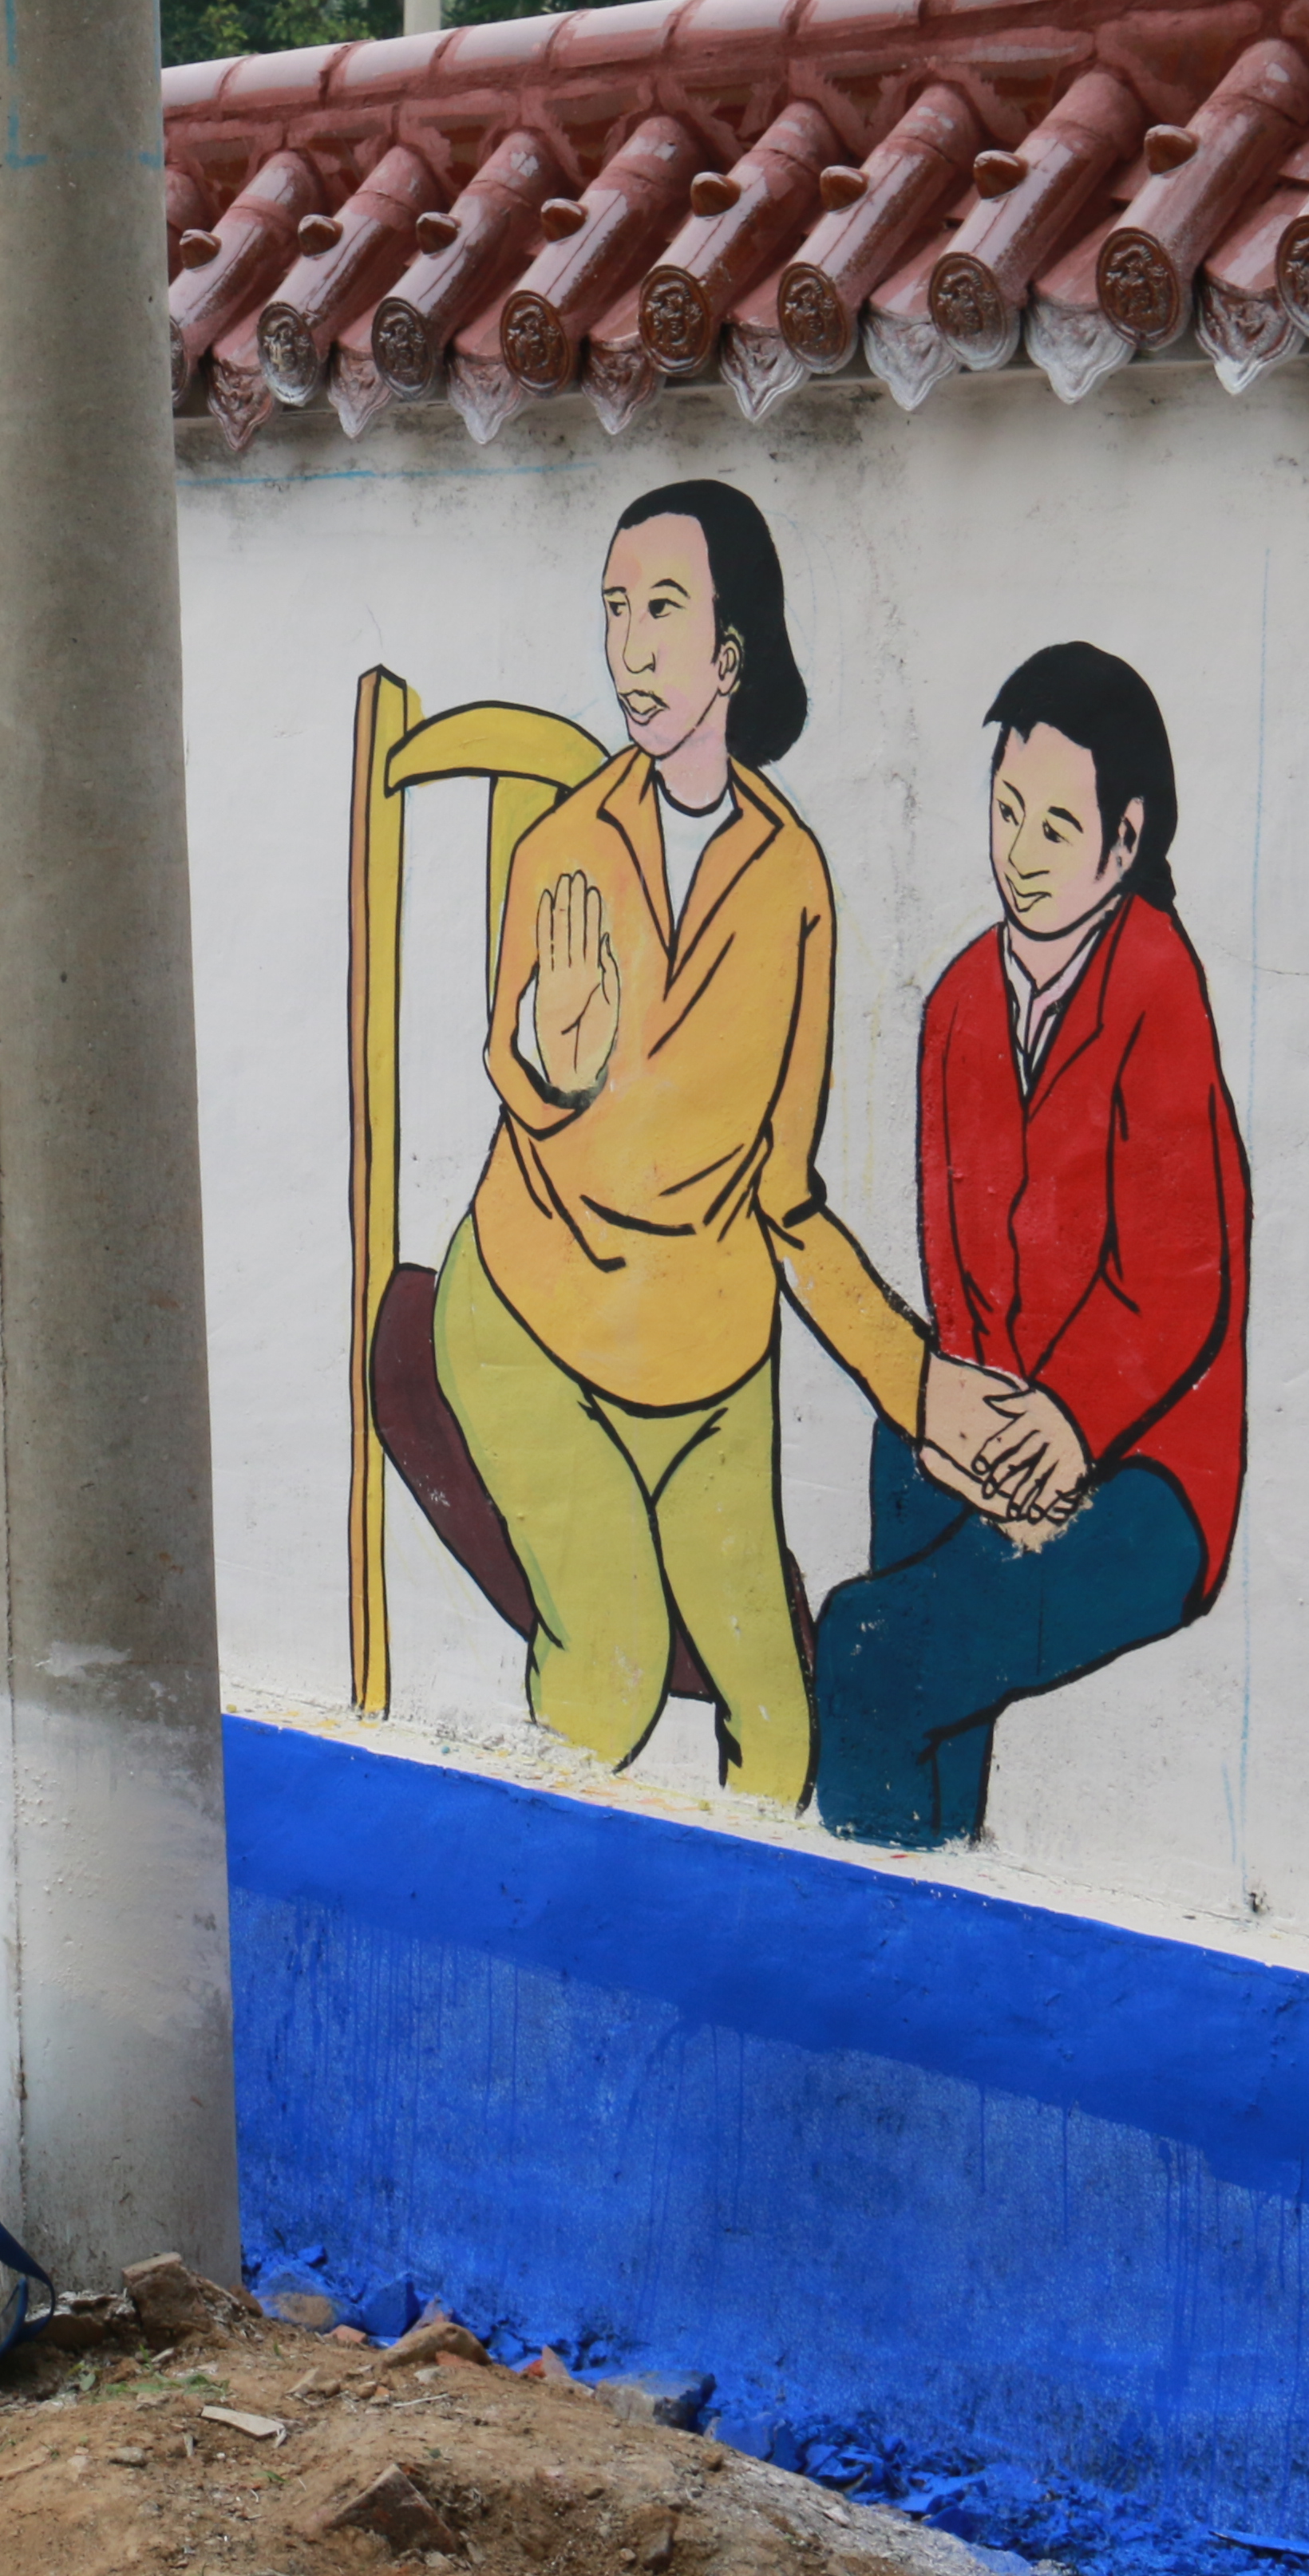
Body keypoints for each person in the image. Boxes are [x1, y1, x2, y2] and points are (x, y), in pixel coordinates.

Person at [430, 481, 1018, 1804]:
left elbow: (786, 1193)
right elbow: (511, 1057)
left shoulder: (790, 873)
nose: (629, 649)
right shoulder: (565, 842)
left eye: (662, 609)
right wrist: (557, 1068)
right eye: (614, 610)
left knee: (777, 1720)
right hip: (534, 1315)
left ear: (732, 652)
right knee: (614, 1668)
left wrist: (916, 1385)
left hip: (706, 1352)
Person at [816, 645, 1248, 1846]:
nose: (1020, 850)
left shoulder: (1157, 983)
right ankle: (937, 1857)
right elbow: (952, 1260)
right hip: (1015, 1421)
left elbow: (1178, 1292)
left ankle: (896, 1905)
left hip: (1144, 1466)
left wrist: (1065, 1427)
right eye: (1007, 811)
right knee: (903, 1462)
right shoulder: (961, 998)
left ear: (1125, 838)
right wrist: (973, 1419)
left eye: (1057, 825)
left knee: (866, 1648)